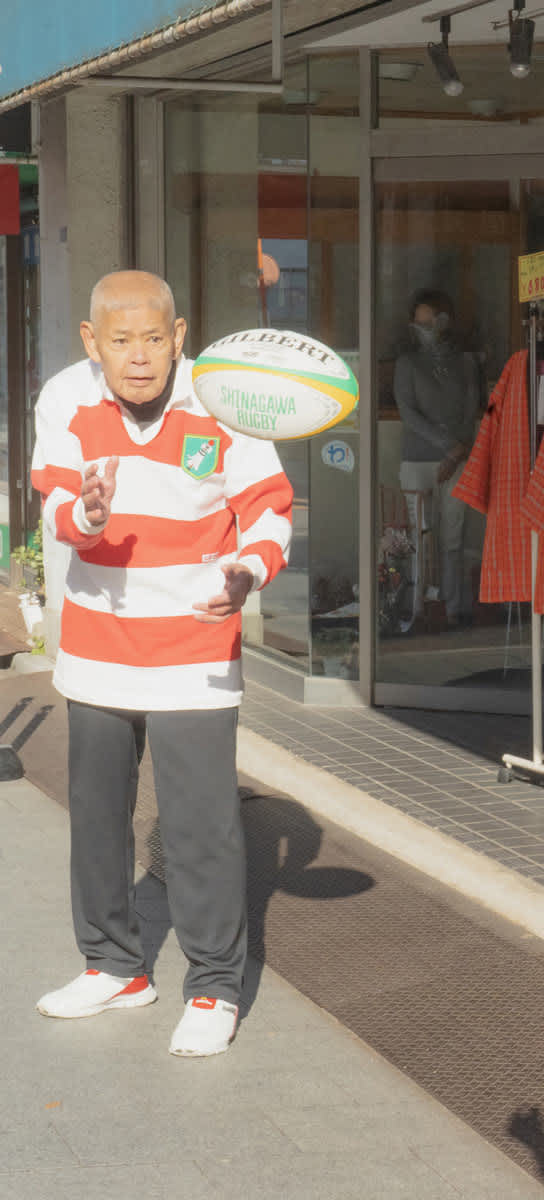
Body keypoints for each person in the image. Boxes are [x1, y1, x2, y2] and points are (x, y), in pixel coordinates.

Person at [30, 270, 293, 1057]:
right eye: (121, 340)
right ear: (92, 341)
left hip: (195, 646)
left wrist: (247, 572)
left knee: (200, 827)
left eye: (153, 337)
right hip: (97, 644)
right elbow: (55, 502)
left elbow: (269, 507)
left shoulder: (223, 399)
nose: (138, 356)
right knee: (97, 817)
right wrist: (87, 514)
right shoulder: (64, 397)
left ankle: (214, 986)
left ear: (179, 337)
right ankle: (114, 965)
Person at [392, 288, 482, 628]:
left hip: (457, 460)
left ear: (445, 320)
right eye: (418, 322)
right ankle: (416, 608)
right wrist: (450, 447)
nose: (423, 328)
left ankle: (453, 608)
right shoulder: (407, 363)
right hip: (418, 459)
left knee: (453, 538)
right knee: (419, 538)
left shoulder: (466, 362)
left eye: (428, 321)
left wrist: (457, 452)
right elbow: (408, 413)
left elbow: (471, 410)